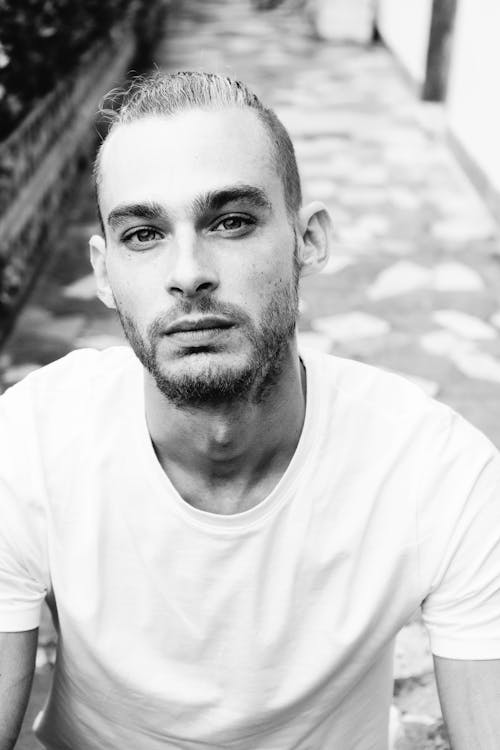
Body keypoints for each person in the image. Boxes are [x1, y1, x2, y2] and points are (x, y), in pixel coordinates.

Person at [0, 71, 499, 750]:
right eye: (143, 234)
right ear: (105, 273)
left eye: (230, 221)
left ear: (308, 241)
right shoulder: (27, 445)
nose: (188, 271)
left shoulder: (440, 476)